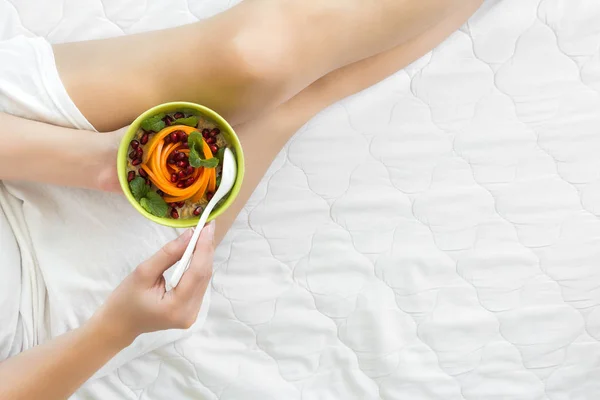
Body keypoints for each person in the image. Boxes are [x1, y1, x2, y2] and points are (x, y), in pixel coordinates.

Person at [0, 0, 482, 398]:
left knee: (254, 58)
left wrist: (96, 162)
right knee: (301, 98)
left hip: (15, 136)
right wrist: (115, 330)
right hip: (47, 316)